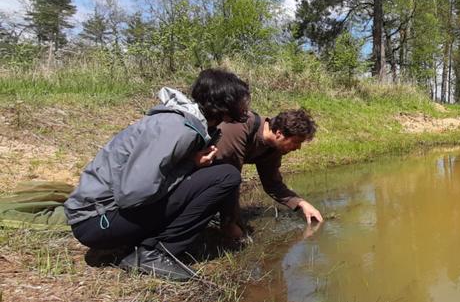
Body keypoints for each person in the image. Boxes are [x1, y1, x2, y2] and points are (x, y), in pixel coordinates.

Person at [64, 69, 251, 281]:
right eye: (241, 100)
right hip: (97, 222)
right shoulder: (178, 128)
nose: (245, 107)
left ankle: (148, 244)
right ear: (224, 104)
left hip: (101, 217)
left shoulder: (189, 123)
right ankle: (155, 253)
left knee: (216, 171)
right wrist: (191, 165)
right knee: (226, 176)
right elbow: (133, 194)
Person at [214, 108, 323, 241]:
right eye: (296, 142)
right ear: (279, 133)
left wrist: (301, 203)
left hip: (219, 175)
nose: (298, 148)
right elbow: (228, 181)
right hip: (190, 172)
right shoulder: (239, 128)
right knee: (231, 176)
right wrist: (230, 223)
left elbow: (273, 184)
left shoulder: (273, 148)